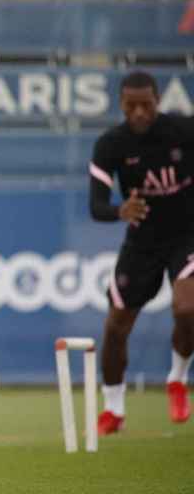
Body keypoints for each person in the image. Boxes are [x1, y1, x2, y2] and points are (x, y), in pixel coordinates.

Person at [88, 70, 194, 435]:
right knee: (116, 326)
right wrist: (120, 210)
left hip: (186, 235)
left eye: (145, 105)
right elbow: (96, 206)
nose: (138, 113)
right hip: (142, 242)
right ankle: (114, 408)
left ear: (157, 101)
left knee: (188, 308)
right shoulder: (110, 145)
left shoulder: (183, 131)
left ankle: (177, 378)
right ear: (121, 105)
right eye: (130, 106)